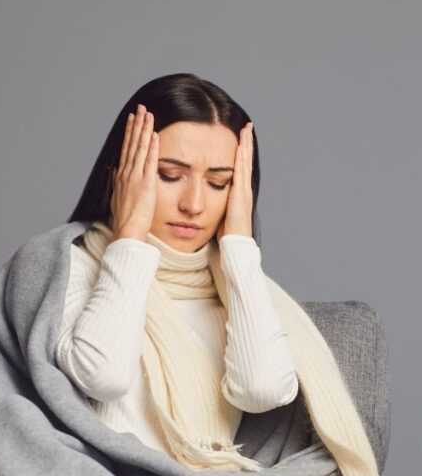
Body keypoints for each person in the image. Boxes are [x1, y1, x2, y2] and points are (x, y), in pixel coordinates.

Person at [53, 73, 376, 473]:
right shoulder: (70, 268)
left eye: (219, 183)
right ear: (122, 174)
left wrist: (239, 247)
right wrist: (130, 238)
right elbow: (102, 378)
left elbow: (262, 391)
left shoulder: (238, 290)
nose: (194, 204)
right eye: (169, 176)